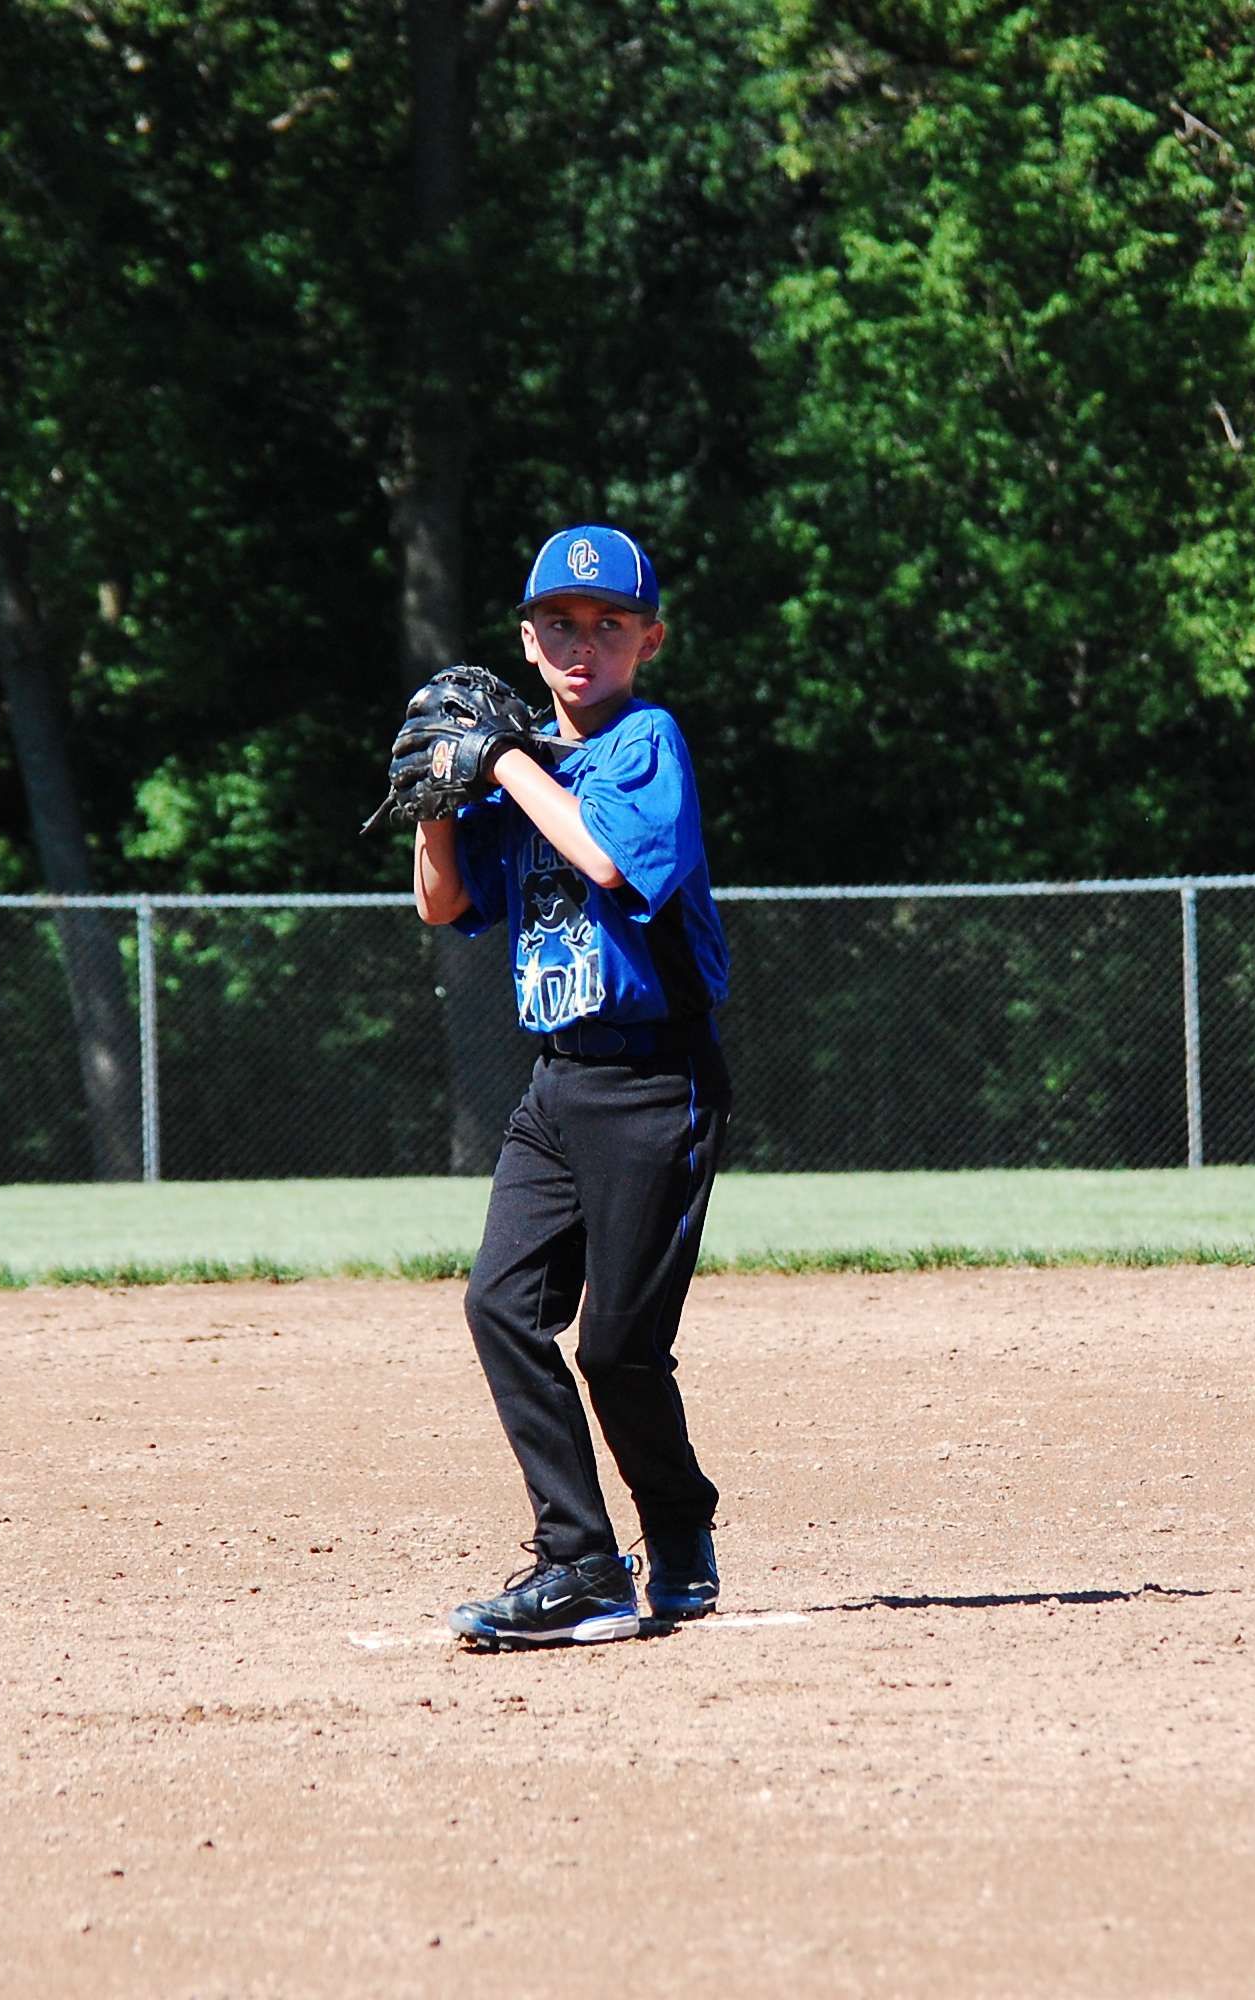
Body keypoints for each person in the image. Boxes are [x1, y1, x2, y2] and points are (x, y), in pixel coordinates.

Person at [410, 524, 731, 1647]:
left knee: (615, 1349)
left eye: (607, 623)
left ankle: (677, 1524)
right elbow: (442, 902)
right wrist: (437, 793)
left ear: (649, 638)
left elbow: (602, 856)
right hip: (557, 1086)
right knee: (499, 1306)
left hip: (655, 1080)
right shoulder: (524, 767)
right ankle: (581, 1560)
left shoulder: (645, 742)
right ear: (527, 639)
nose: (580, 642)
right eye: (558, 622)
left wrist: (502, 761)